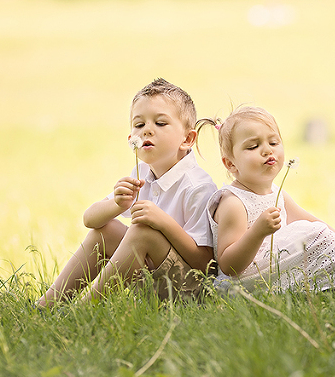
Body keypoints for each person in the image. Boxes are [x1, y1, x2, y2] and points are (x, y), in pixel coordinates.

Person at [37, 79, 217, 308]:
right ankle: (47, 305)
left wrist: (163, 223)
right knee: (107, 230)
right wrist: (118, 205)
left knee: (143, 231)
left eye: (161, 123)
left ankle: (82, 310)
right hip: (154, 279)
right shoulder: (142, 173)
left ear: (187, 139)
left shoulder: (197, 186)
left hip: (190, 292)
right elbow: (89, 220)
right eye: (139, 125)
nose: (147, 130)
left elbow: (206, 265)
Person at [199, 106, 335, 293]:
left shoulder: (276, 193)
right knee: (312, 235)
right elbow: (229, 266)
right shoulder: (233, 202)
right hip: (241, 287)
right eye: (253, 146)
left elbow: (317, 225)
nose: (267, 150)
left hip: (269, 271)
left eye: (274, 142)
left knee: (318, 234)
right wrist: (257, 232)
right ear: (231, 164)